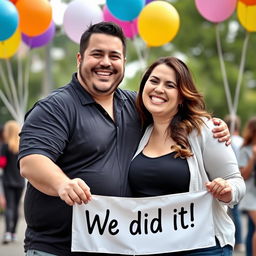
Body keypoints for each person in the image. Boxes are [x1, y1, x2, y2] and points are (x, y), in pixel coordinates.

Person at [18, 22, 232, 256]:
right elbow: (32, 161)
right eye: (97, 54)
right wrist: (62, 184)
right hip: (57, 248)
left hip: (116, 245)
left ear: (124, 63)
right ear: (79, 59)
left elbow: (174, 112)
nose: (106, 63)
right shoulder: (56, 107)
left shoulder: (135, 104)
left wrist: (213, 126)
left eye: (114, 56)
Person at [128, 56, 245, 255]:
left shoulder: (206, 130)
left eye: (170, 85)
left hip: (203, 247)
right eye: (154, 81)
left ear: (182, 96)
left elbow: (236, 182)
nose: (159, 89)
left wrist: (227, 190)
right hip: (152, 248)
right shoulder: (140, 131)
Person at [0, 120, 25, 244]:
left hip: (7, 181)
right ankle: (14, 233)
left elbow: (2, 163)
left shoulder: (4, 146)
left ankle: (7, 233)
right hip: (20, 181)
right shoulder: (22, 146)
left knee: (9, 207)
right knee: (16, 207)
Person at [224, 115, 245, 252]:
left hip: (228, 179)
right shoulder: (242, 141)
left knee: (231, 213)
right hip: (241, 181)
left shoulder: (225, 140)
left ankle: (235, 240)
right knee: (235, 212)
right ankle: (239, 241)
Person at [238, 116, 256, 256]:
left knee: (251, 229)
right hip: (250, 195)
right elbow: (244, 175)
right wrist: (253, 158)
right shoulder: (245, 150)